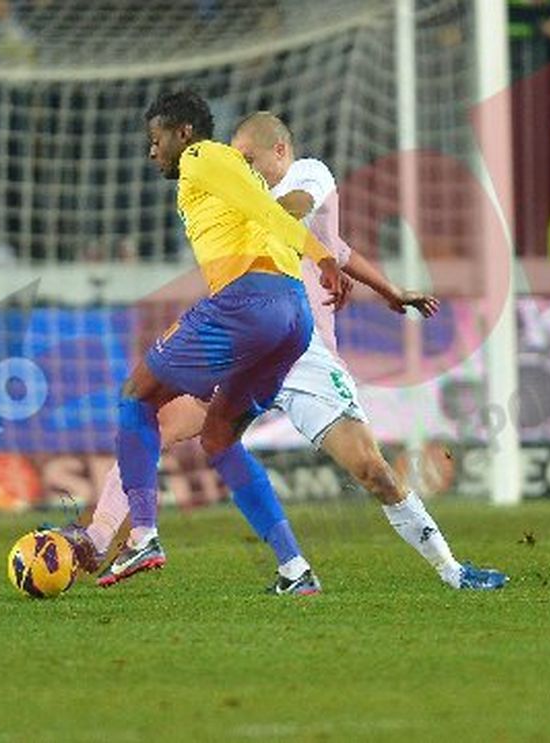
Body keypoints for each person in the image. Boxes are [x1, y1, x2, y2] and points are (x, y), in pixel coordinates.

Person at [66, 112, 507, 592]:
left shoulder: (307, 174)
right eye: (238, 160)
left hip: (303, 350)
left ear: (279, 152)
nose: (243, 165)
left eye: (250, 158)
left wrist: (261, 212)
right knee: (159, 423)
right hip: (246, 339)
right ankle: (100, 537)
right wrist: (388, 287)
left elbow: (301, 221)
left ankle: (452, 571)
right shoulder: (236, 189)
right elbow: (333, 247)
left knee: (372, 470)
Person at [103, 91, 342, 595]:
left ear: (183, 132)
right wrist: (320, 261)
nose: (153, 152)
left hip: (248, 303)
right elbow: (265, 213)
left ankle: (143, 533)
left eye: (156, 139)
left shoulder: (201, 157)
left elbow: (264, 209)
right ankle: (295, 570)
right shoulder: (230, 172)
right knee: (218, 437)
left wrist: (322, 256)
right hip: (293, 316)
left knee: (136, 394)